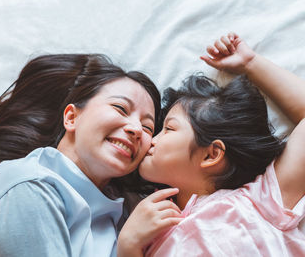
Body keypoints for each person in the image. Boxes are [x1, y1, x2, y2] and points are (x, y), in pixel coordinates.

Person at [0, 54, 164, 256]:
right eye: (120, 108)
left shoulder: (130, 214)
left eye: (147, 128)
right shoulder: (27, 186)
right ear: (71, 117)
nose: (135, 129)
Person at [117, 33, 305, 256]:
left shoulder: (261, 202)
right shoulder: (150, 230)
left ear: (211, 154)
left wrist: (250, 63)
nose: (151, 140)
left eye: (168, 129)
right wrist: (129, 245)